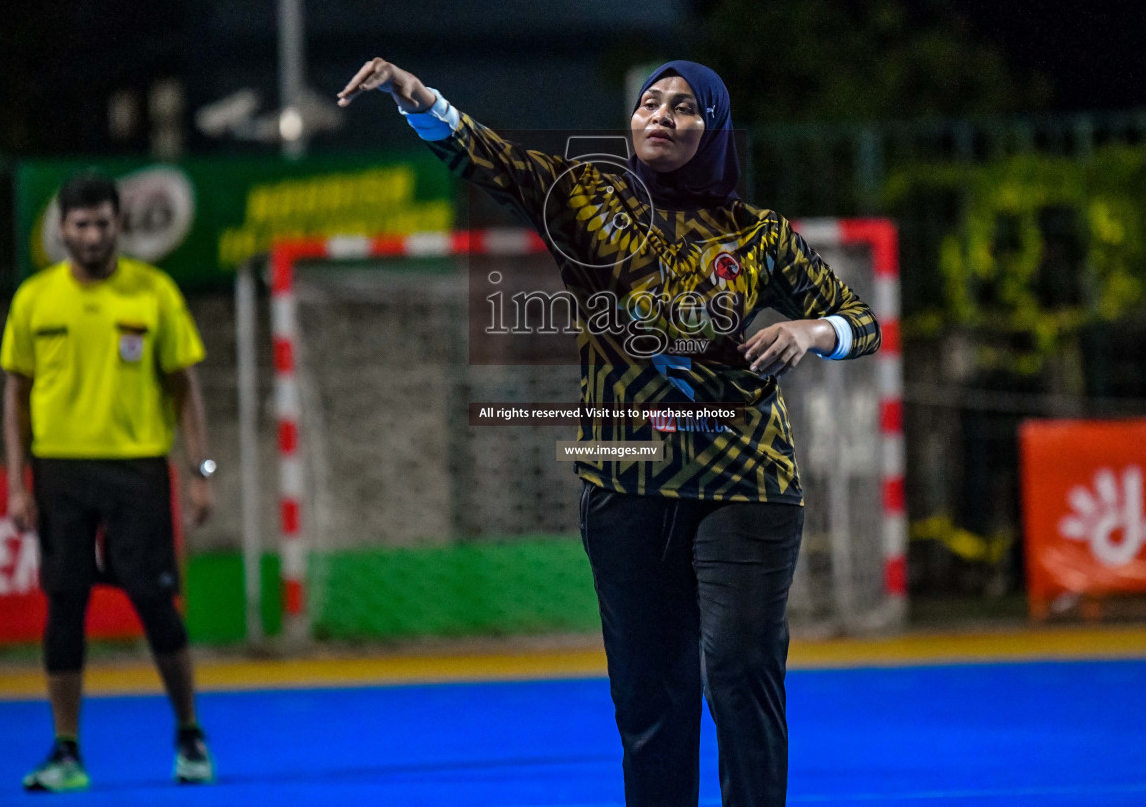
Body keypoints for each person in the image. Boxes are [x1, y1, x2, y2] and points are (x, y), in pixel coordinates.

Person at [338, 58, 881, 807]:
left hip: (746, 479)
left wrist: (811, 330)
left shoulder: (759, 237)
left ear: (714, 129)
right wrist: (415, 98)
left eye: (685, 107)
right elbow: (487, 156)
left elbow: (863, 322)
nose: (661, 114)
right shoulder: (584, 199)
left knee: (737, 667)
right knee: (651, 699)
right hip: (625, 482)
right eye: (650, 102)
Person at [1, 171, 218, 792]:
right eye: (81, 224)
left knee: (154, 602)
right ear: (63, 230)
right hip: (60, 474)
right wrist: (18, 483)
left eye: (102, 222)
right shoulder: (35, 300)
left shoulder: (154, 293)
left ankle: (190, 737)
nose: (93, 234)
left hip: (138, 472)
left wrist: (201, 473)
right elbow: (15, 395)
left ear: (119, 225)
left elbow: (186, 390)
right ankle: (66, 752)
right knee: (64, 605)